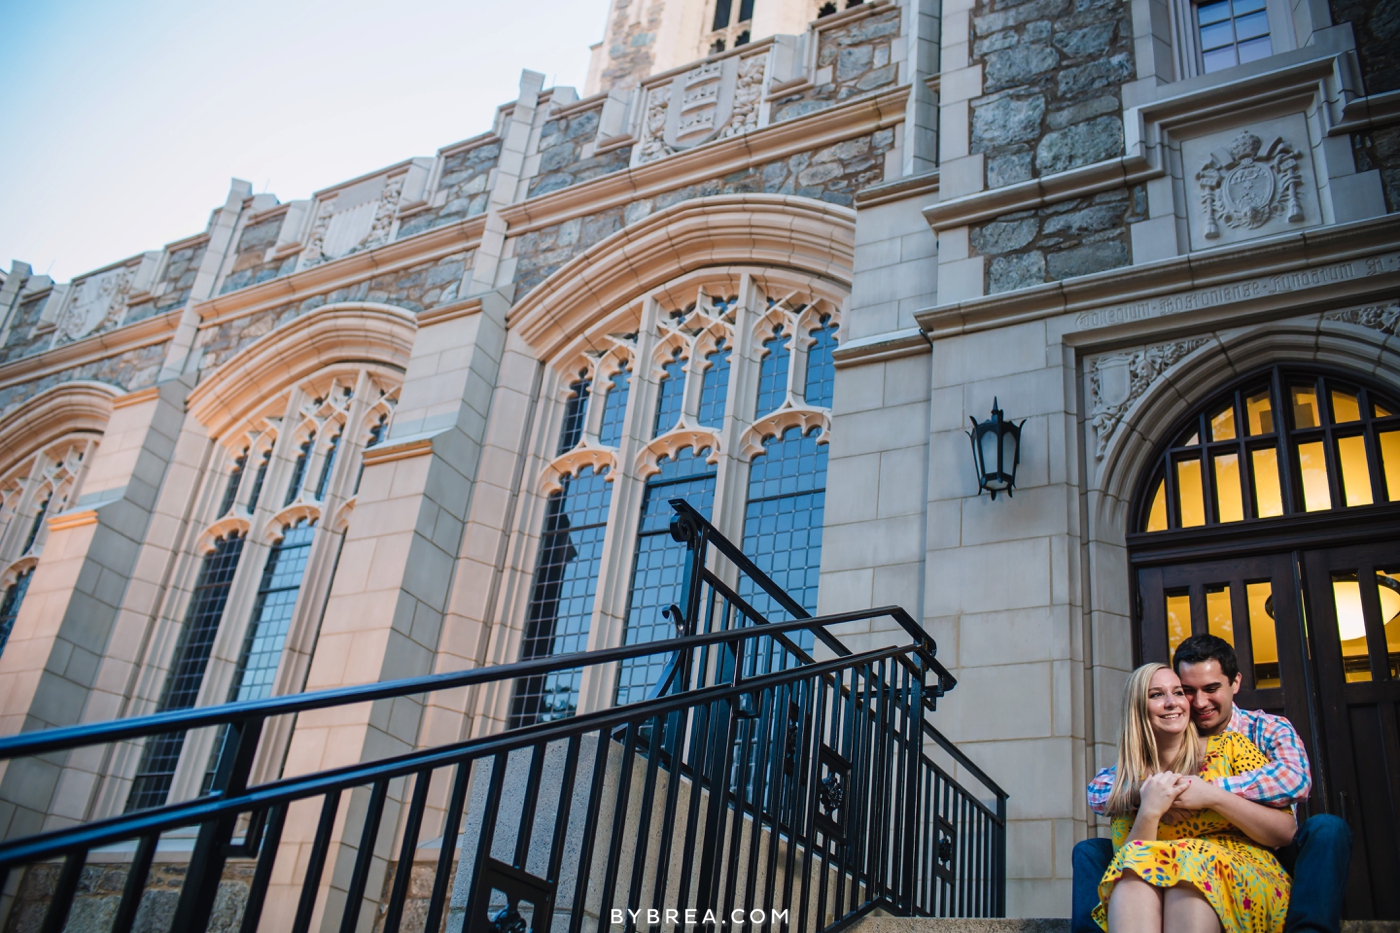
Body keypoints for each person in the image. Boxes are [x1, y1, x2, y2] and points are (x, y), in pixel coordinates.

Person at [1071, 635, 1353, 933]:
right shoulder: (1169, 735)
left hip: (1265, 848)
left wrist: (1208, 792)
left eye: (1211, 688)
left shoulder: (1260, 731)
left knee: (1327, 829)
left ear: (1235, 683)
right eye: (1188, 690)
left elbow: (1294, 781)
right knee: (1091, 851)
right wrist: (1149, 797)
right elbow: (1100, 792)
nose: (1199, 702)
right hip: (1165, 859)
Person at [1091, 661, 1296, 932]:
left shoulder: (1231, 748)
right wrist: (1150, 809)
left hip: (1240, 877)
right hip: (1160, 888)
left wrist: (1214, 796)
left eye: (1178, 692)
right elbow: (1131, 859)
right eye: (1156, 695)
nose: (1172, 702)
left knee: (1187, 873)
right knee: (1129, 881)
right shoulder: (1125, 784)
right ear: (1137, 708)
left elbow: (1286, 831)